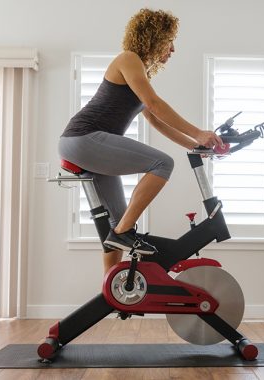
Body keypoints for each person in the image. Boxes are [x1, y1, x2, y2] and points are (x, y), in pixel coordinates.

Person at [58, 9, 223, 274]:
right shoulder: (128, 59)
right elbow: (155, 105)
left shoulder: (140, 72)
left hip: (89, 144)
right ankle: (123, 233)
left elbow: (155, 120)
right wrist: (198, 133)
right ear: (155, 37)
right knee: (162, 163)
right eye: (170, 41)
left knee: (118, 223)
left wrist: (195, 145)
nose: (172, 50)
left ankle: (110, 290)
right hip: (82, 138)